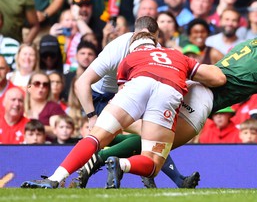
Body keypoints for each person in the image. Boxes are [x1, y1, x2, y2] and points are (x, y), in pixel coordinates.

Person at [21, 24, 257, 189]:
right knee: (158, 151)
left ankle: (66, 173)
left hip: (155, 86)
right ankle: (115, 162)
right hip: (201, 96)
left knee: (109, 131)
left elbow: (123, 82)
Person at [21, 30, 226, 189]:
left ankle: (55, 178)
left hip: (137, 86)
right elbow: (218, 78)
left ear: (134, 48)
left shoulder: (128, 58)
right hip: (168, 92)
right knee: (152, 162)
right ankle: (123, 165)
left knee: (95, 137)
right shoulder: (176, 54)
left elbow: (125, 90)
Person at [24, 71, 65, 139]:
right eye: (37, 83)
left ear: (48, 89)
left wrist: (32, 128)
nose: (41, 87)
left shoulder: (54, 107)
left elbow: (62, 132)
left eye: (45, 84)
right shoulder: (19, 104)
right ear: (29, 87)